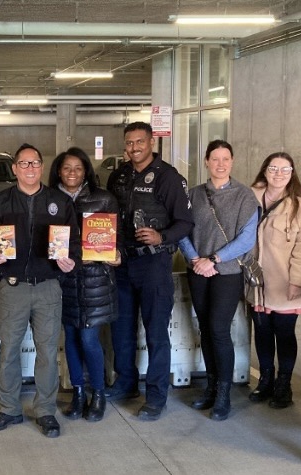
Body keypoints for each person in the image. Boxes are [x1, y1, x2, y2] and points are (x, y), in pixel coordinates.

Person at [0, 143, 79, 438]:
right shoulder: (0, 202)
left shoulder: (59, 202)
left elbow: (73, 242)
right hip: (12, 288)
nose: (30, 169)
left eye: (35, 163)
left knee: (48, 352)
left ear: (41, 166)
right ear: (14, 169)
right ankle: (9, 408)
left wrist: (69, 261)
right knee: (9, 350)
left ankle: (46, 410)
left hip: (49, 287)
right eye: (23, 164)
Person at [106, 121, 194, 421]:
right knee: (122, 329)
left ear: (151, 142)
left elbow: (185, 222)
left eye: (139, 142)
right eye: (129, 143)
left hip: (154, 264)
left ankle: (156, 396)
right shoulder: (118, 176)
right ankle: (126, 383)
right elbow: (107, 217)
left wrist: (162, 237)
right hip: (122, 263)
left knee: (156, 332)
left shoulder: (168, 178)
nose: (134, 148)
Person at [178, 140, 258, 421]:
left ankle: (224, 394)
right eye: (215, 159)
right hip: (198, 271)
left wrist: (213, 260)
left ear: (232, 162)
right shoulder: (194, 195)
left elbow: (247, 239)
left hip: (227, 273)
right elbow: (182, 230)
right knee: (205, 328)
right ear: (206, 161)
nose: (220, 164)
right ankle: (211, 387)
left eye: (226, 159)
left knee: (218, 329)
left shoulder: (245, 197)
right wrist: (195, 260)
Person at [49, 147, 119, 423]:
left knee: (89, 338)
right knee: (71, 339)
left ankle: (98, 393)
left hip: (94, 281)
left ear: (86, 170)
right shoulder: (50, 199)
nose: (72, 173)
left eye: (78, 168)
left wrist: (115, 255)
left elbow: (117, 239)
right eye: (67, 168)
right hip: (63, 280)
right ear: (58, 171)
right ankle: (78, 392)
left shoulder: (103, 200)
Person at [247, 152, 301, 409]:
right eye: (273, 168)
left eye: (284, 169)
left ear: (292, 173)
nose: (278, 174)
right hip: (256, 283)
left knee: (284, 332)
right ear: (264, 170)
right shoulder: (250, 198)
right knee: (262, 332)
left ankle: (284, 385)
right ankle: (265, 379)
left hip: (286, 283)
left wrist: (298, 281)